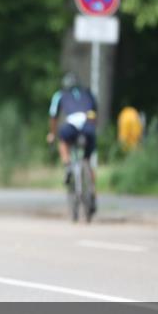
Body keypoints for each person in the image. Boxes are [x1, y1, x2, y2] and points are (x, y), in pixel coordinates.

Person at [46, 72, 98, 212]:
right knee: (87, 160)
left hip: (71, 126)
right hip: (88, 125)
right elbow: (95, 112)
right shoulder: (88, 92)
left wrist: (52, 134)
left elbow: (53, 116)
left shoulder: (60, 94)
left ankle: (67, 165)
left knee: (63, 141)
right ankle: (92, 194)